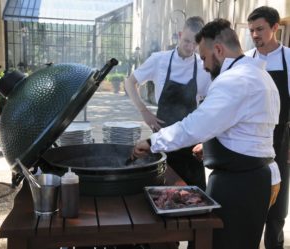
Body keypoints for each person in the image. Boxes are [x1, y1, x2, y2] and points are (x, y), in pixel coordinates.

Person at [132, 18, 281, 249]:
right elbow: (246, 128)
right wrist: (211, 144)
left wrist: (151, 142)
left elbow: (193, 126)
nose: (203, 66)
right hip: (259, 178)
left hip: (239, 183)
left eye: (203, 58)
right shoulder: (261, 76)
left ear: (219, 50)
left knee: (222, 244)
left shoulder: (233, 80)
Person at [124, 16, 211, 191]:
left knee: (193, 194)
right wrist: (144, 111)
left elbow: (211, 105)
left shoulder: (204, 67)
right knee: (160, 191)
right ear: (180, 35)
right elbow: (129, 82)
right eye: (186, 41)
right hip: (161, 139)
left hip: (190, 143)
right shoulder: (159, 60)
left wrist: (207, 140)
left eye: (195, 43)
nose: (190, 47)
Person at [246, 6, 290, 249]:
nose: (255, 34)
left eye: (260, 29)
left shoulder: (289, 59)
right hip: (250, 140)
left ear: (275, 28)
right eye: (252, 30)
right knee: (251, 203)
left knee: (278, 205)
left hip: (281, 138)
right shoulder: (245, 59)